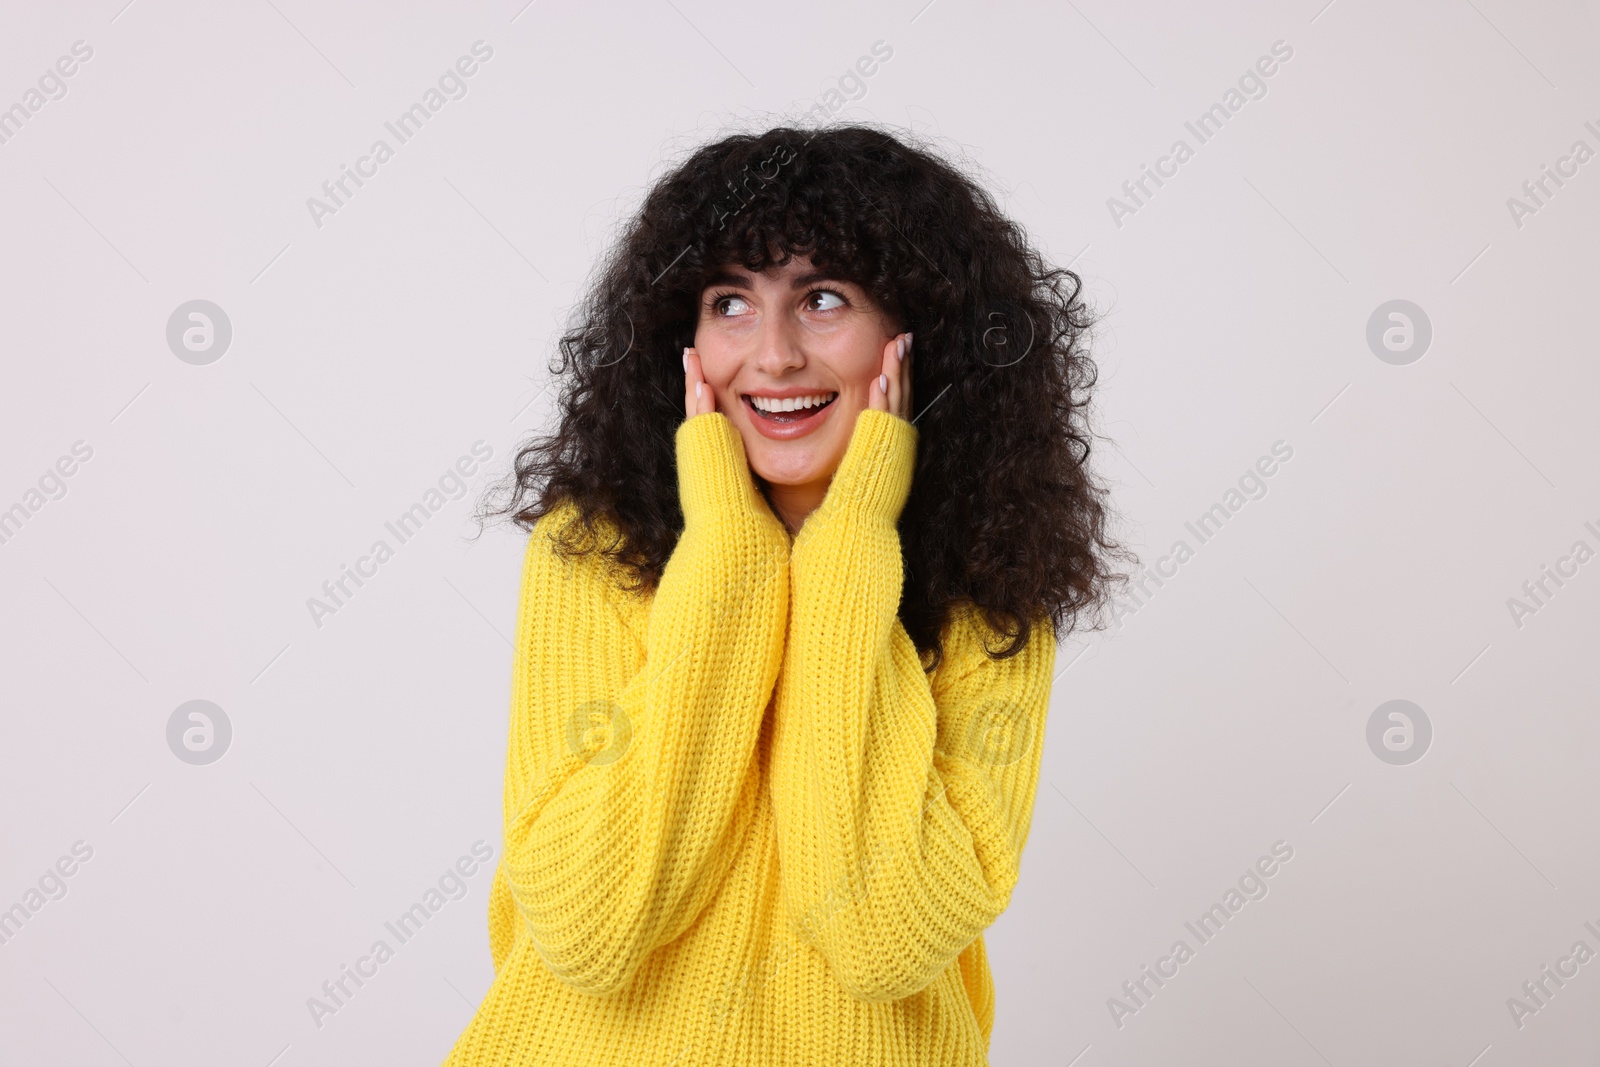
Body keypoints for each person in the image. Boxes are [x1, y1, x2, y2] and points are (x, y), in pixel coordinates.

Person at [445, 123, 1130, 1066]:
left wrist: (849, 552)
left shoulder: (993, 589)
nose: (770, 356)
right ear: (678, 338)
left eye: (821, 299)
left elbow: (882, 937)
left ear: (912, 334)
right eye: (730, 302)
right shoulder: (594, 550)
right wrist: (729, 556)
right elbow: (588, 926)